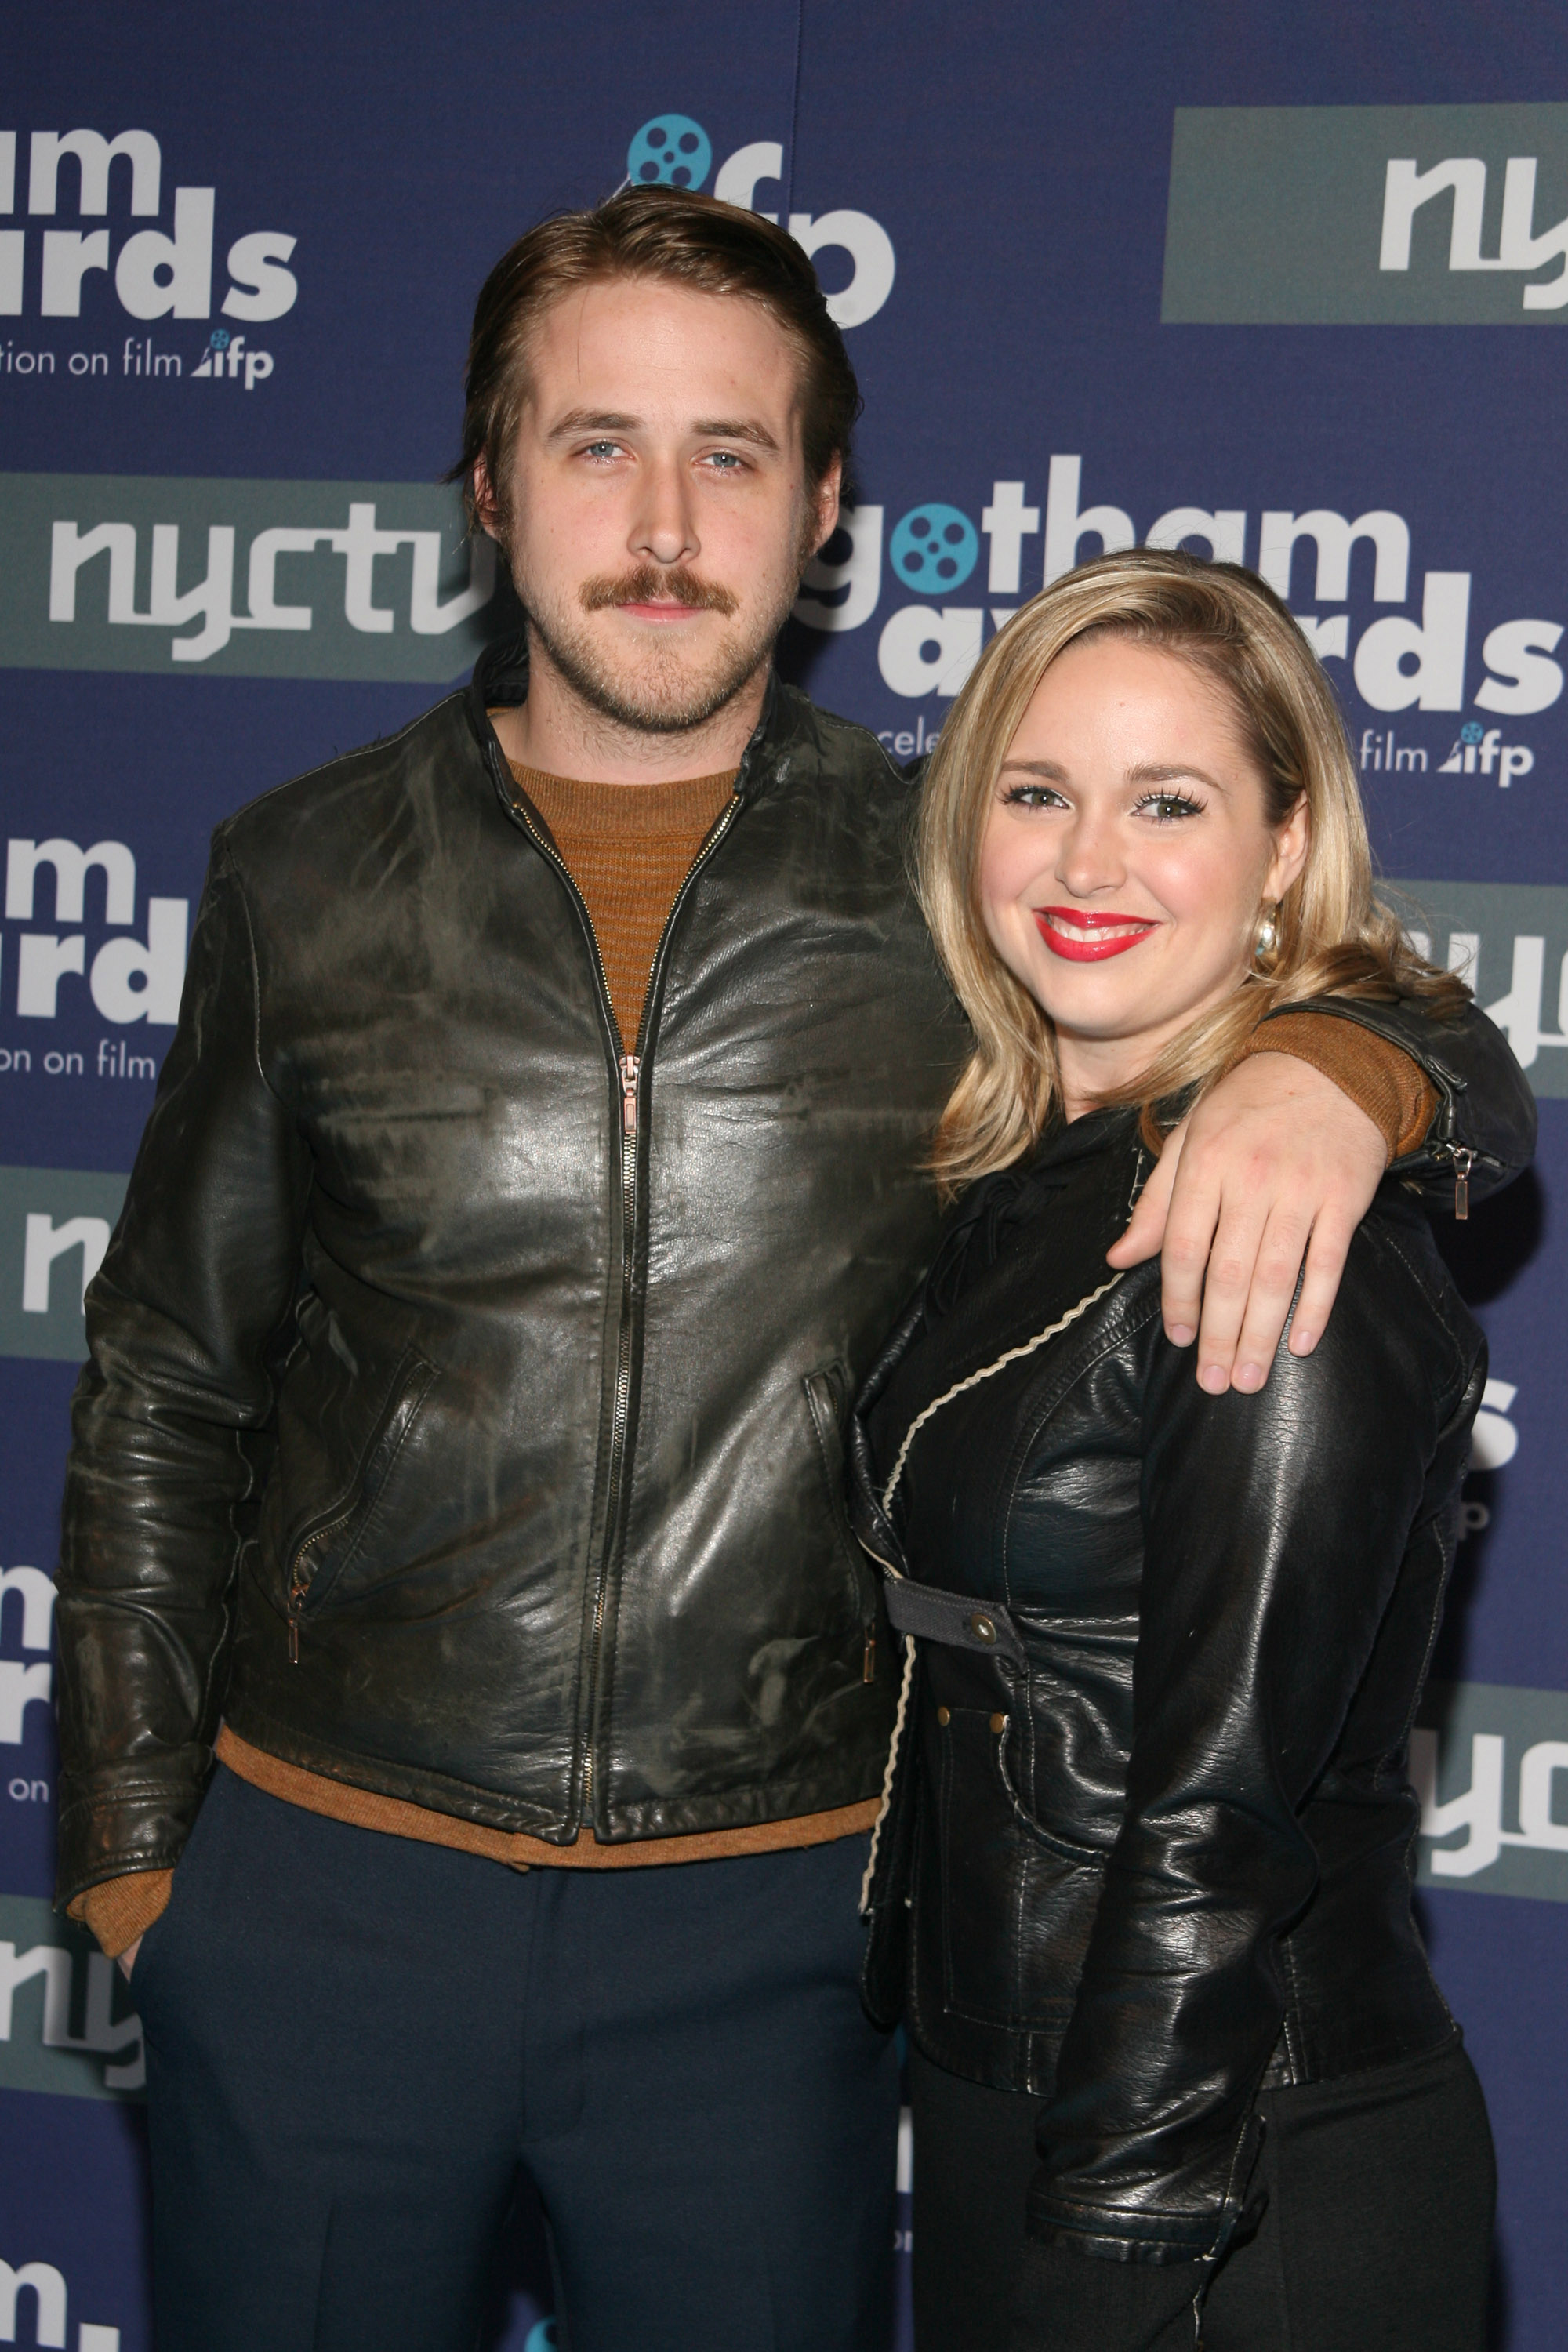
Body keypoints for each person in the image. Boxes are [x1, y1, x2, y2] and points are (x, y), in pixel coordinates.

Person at [53, 191, 1528, 2352]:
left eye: (731, 455)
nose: (665, 522)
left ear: (823, 512)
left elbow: (1386, 1013)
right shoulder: (297, 878)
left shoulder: (960, 879)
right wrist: (132, 1861)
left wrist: (1339, 1070)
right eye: (594, 445)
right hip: (325, 1894)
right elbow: (167, 1375)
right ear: (486, 488)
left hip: (775, 1940)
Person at [853, 549, 1506, 2352]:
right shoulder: (1036, 1168)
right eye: (1037, 791)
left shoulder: (1266, 1210)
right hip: (1020, 2096)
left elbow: (1227, 1804)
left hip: (1231, 2165)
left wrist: (1123, 2224)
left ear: (1283, 850)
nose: (1085, 862)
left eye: (1169, 802)